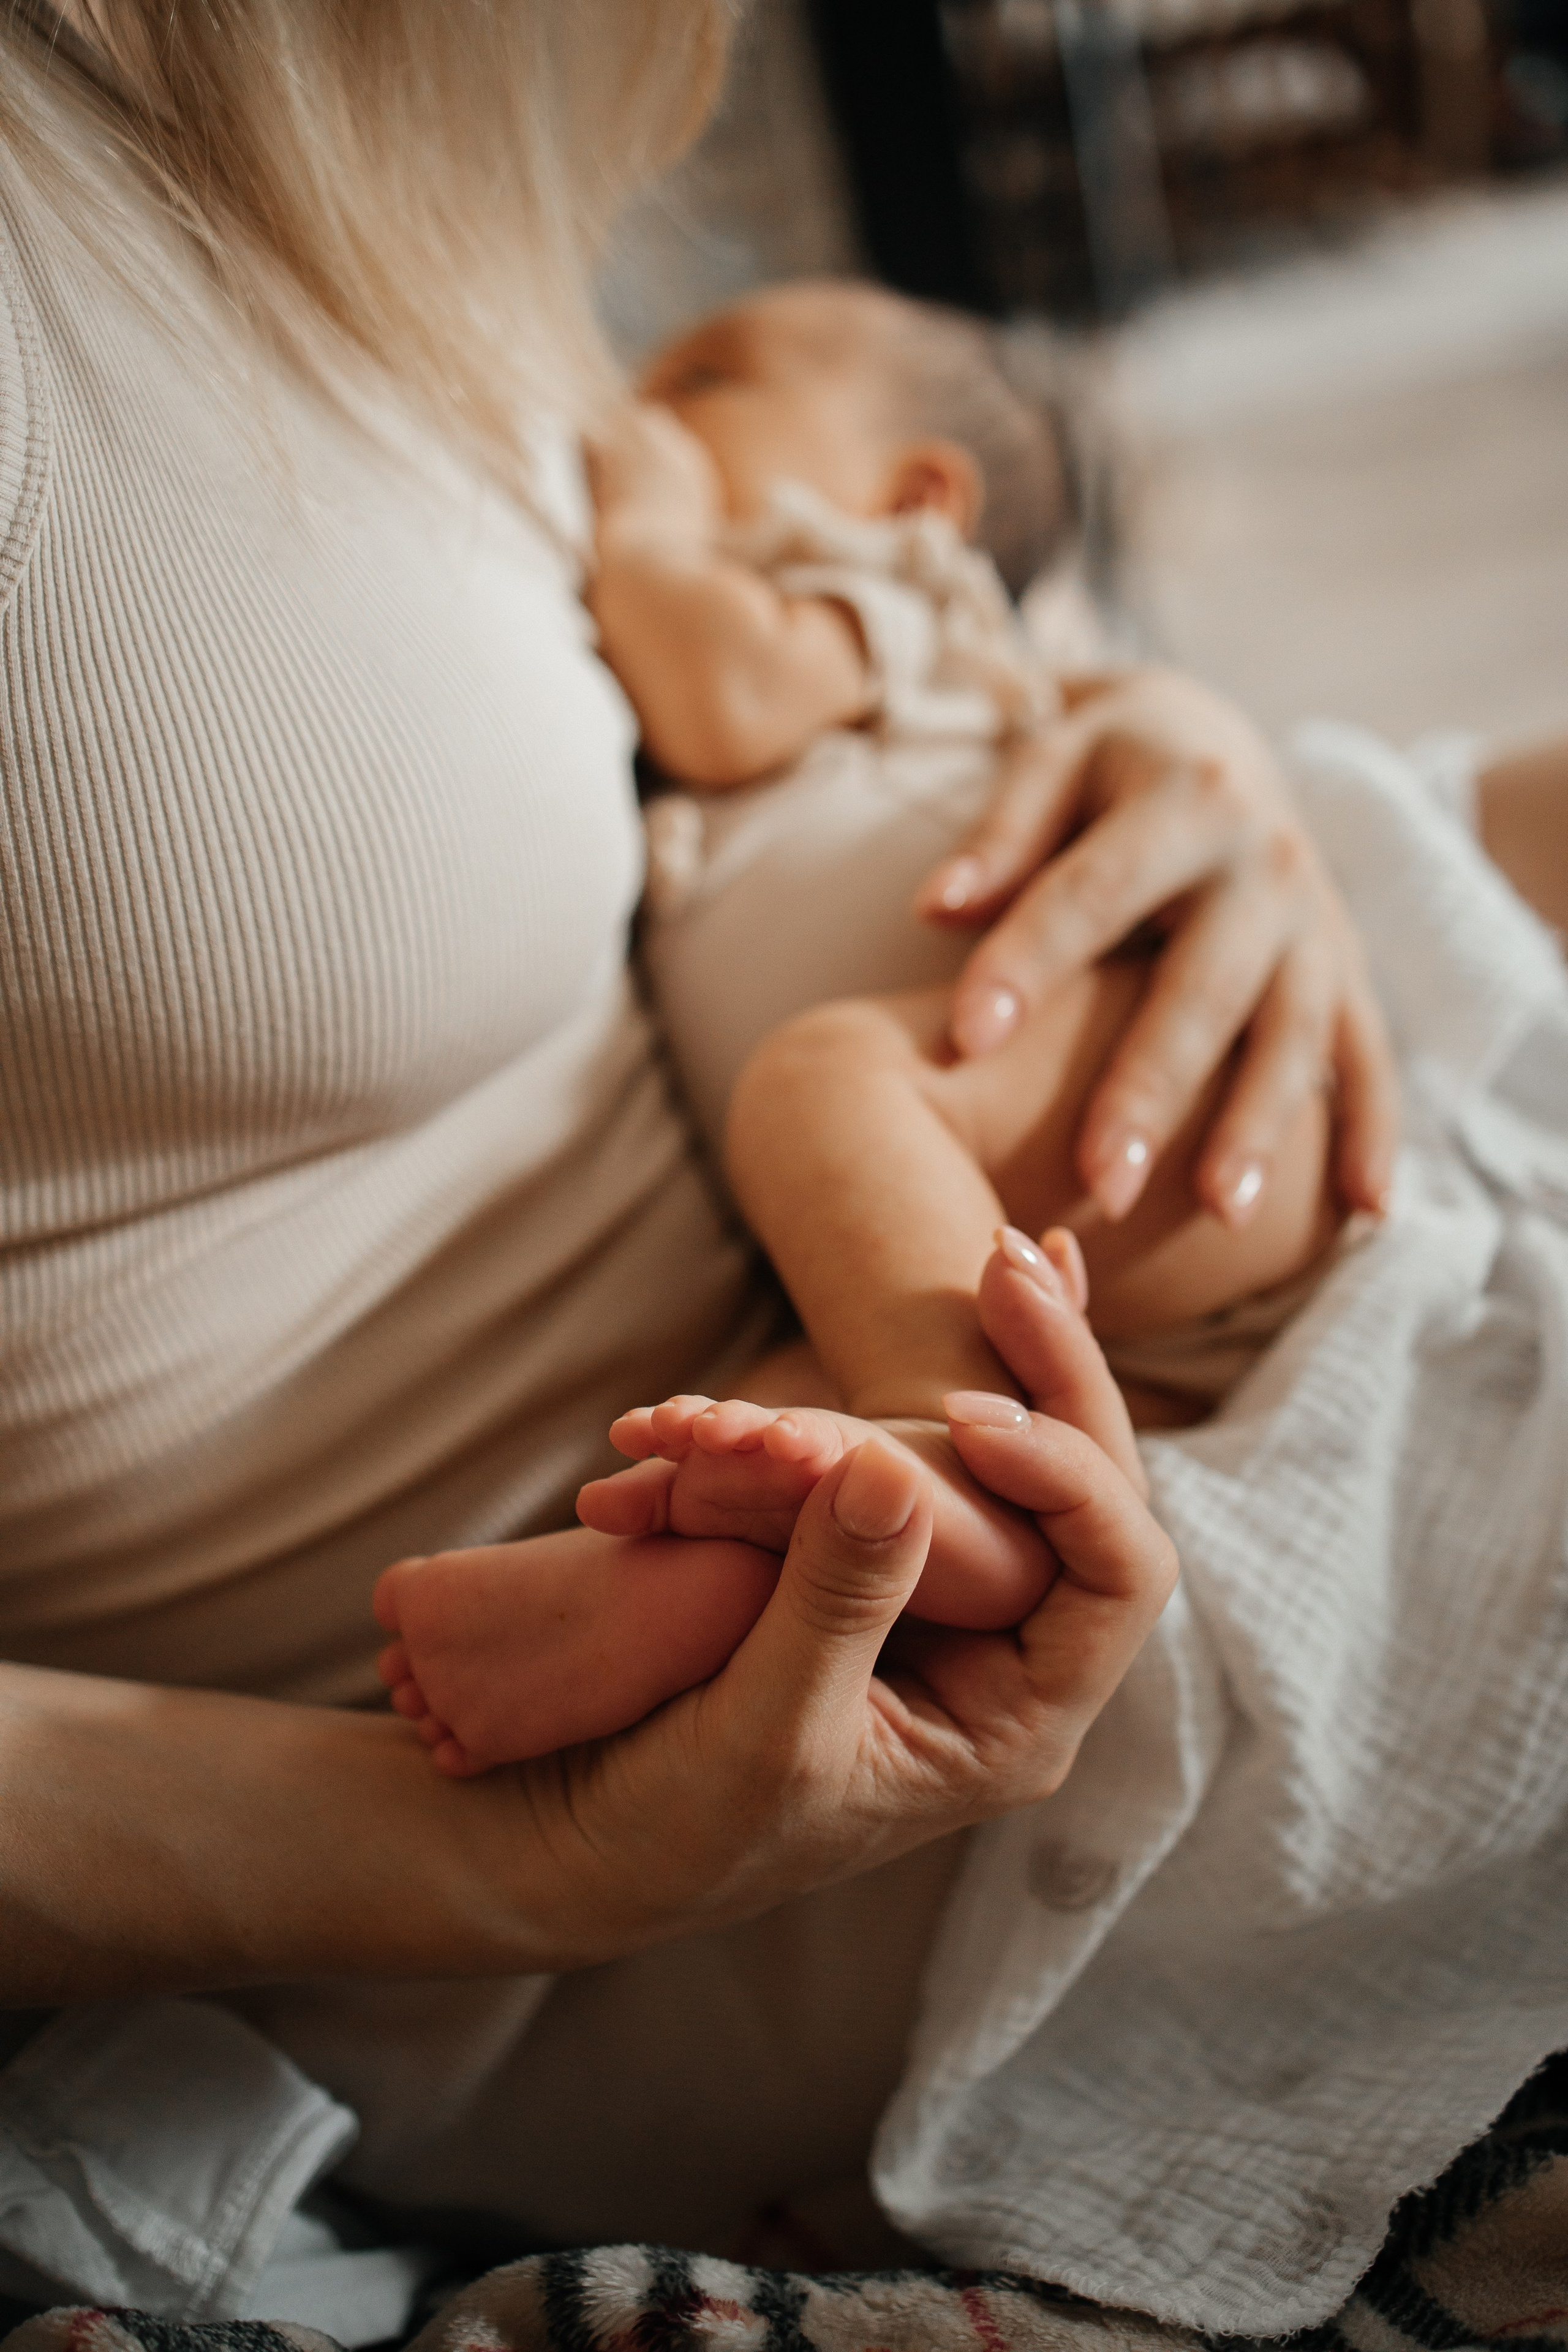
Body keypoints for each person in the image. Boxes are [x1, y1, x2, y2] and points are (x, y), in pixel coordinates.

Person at [0, 0, 1401, 2282]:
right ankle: (907, 1464)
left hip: (978, 1152)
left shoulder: (371, 187)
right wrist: (473, 1856)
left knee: (837, 1096)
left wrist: (1188, 742)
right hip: (572, 1851)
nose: (641, 415)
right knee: (828, 1122)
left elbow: (732, 698)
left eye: (710, 392)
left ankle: (916, 1448)